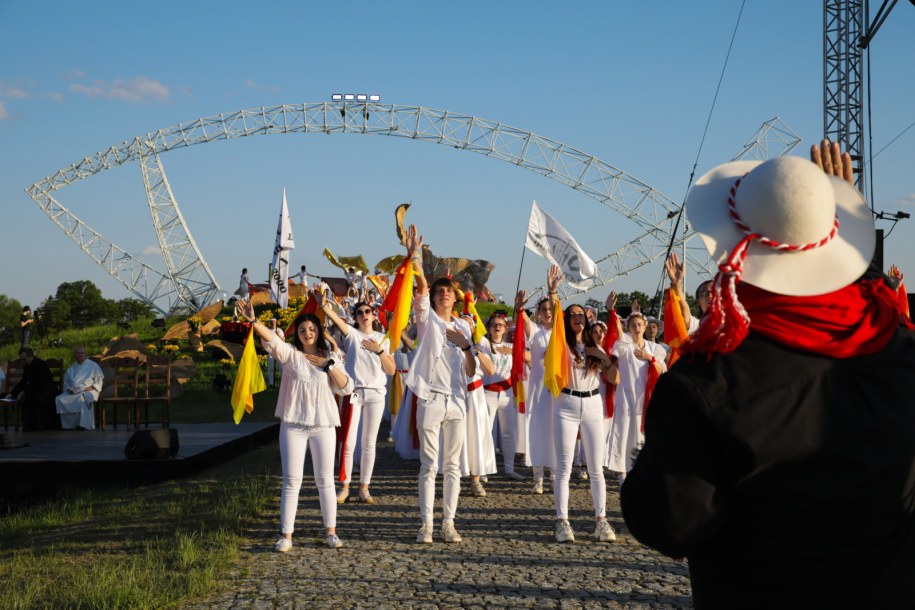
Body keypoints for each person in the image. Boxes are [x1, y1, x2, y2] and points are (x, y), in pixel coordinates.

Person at [620, 148, 915, 608]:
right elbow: (881, 305)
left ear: (734, 248)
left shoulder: (708, 381)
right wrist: (841, 230)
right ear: (833, 246)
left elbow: (671, 522)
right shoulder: (899, 352)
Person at [237, 297, 354, 551]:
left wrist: (329, 366)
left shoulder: (331, 356)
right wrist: (254, 321)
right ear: (298, 335)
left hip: (323, 424)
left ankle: (331, 532)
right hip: (293, 424)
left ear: (319, 331)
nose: (307, 333)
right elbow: (273, 340)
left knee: (325, 480)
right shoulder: (291, 356)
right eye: (302, 330)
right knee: (292, 480)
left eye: (312, 329)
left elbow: (346, 388)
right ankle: (286, 536)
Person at [402, 224, 475, 544]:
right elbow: (419, 286)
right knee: (429, 465)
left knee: (453, 466)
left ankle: (449, 522)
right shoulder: (427, 318)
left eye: (449, 289)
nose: (444, 292)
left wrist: (466, 345)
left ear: (456, 297)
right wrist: (415, 258)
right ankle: (427, 525)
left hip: (457, 400)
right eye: (439, 289)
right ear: (434, 296)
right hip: (431, 398)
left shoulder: (465, 325)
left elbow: (472, 370)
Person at [545, 265, 620, 544]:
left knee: (596, 468)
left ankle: (601, 521)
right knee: (564, 467)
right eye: (571, 314)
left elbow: (614, 377)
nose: (576, 318)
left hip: (591, 404)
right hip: (565, 402)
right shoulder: (560, 343)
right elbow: (553, 319)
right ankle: (562, 521)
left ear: (587, 320)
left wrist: (604, 357)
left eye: (580, 314)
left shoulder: (593, 346)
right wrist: (553, 291)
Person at [318, 296, 395, 505]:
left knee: (369, 443)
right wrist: (324, 305)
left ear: (374, 315)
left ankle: (364, 488)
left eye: (367, 311)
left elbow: (391, 369)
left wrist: (378, 350)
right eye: (360, 313)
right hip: (355, 393)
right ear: (355, 317)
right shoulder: (352, 334)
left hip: (376, 394)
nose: (364, 315)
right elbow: (335, 318)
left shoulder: (383, 338)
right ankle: (345, 486)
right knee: (349, 442)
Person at [605, 298, 667, 482]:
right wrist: (611, 311)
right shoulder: (624, 346)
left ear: (645, 325)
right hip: (626, 395)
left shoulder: (655, 348)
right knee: (623, 432)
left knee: (642, 435)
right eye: (633, 325)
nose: (637, 328)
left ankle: (642, 469)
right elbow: (616, 329)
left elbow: (662, 370)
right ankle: (622, 471)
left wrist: (650, 358)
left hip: (646, 397)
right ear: (628, 327)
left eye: (640, 324)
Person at [515, 291, 555, 495]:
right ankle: (538, 477)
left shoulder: (561, 332)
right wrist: (521, 308)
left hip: (558, 389)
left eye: (550, 309)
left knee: (556, 432)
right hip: (539, 388)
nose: (547, 312)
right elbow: (524, 322)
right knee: (538, 431)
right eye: (544, 310)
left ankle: (556, 476)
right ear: (538, 313)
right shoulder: (536, 332)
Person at [479, 312, 524, 481]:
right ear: (488, 328)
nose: (497, 327)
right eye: (494, 324)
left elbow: (528, 356)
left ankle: (509, 468)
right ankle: (482, 469)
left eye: (501, 324)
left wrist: (514, 351)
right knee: (485, 432)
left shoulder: (510, 347)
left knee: (509, 433)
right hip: (487, 393)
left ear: (506, 328)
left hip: (507, 394)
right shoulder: (483, 344)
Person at [5, 347, 58, 431]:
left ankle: (38, 426)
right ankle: (29, 427)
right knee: (25, 400)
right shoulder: (27, 366)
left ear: (30, 357)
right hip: (35, 389)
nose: (22, 362)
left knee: (33, 399)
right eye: (21, 360)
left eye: (24, 359)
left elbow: (38, 383)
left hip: (46, 390)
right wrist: (12, 393)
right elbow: (24, 381)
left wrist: (24, 392)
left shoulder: (41, 364)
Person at [55, 347, 104, 430]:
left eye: (81, 353)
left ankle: (82, 424)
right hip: (74, 391)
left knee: (81, 398)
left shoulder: (93, 366)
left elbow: (99, 379)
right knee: (60, 399)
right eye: (77, 353)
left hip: (89, 390)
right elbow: (66, 382)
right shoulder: (71, 368)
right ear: (74, 355)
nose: (80, 355)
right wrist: (69, 389)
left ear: (85, 354)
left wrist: (92, 387)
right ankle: (68, 425)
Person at [265, 319, 285, 387]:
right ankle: (271, 384)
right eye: (271, 322)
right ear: (269, 322)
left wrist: (278, 335)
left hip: (279, 351)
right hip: (270, 351)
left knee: (281, 367)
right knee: (270, 368)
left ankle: (284, 383)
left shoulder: (279, 330)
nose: (273, 323)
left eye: (274, 322)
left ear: (276, 322)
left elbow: (283, 341)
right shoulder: (267, 330)